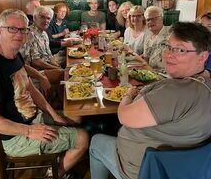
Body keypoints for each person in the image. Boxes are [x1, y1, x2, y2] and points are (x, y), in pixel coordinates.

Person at [89, 22, 211, 179]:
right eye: (167, 46)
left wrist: (128, 94)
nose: (168, 55)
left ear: (203, 56)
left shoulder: (174, 92)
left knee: (96, 142)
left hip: (145, 170)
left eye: (180, 50)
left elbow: (124, 116)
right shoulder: (203, 83)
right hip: (183, 168)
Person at [0, 9, 89, 177]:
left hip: (34, 118)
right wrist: (30, 131)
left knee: (76, 116)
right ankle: (53, 174)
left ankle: (58, 158)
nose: (19, 34)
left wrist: (52, 113)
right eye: (12, 29)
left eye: (23, 29)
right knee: (83, 138)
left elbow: (31, 89)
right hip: (15, 136)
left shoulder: (15, 55)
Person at [143, 6, 170, 70]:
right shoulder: (147, 38)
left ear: (162, 18)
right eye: (148, 20)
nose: (150, 22)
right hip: (152, 73)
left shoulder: (170, 34)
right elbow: (146, 60)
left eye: (154, 19)